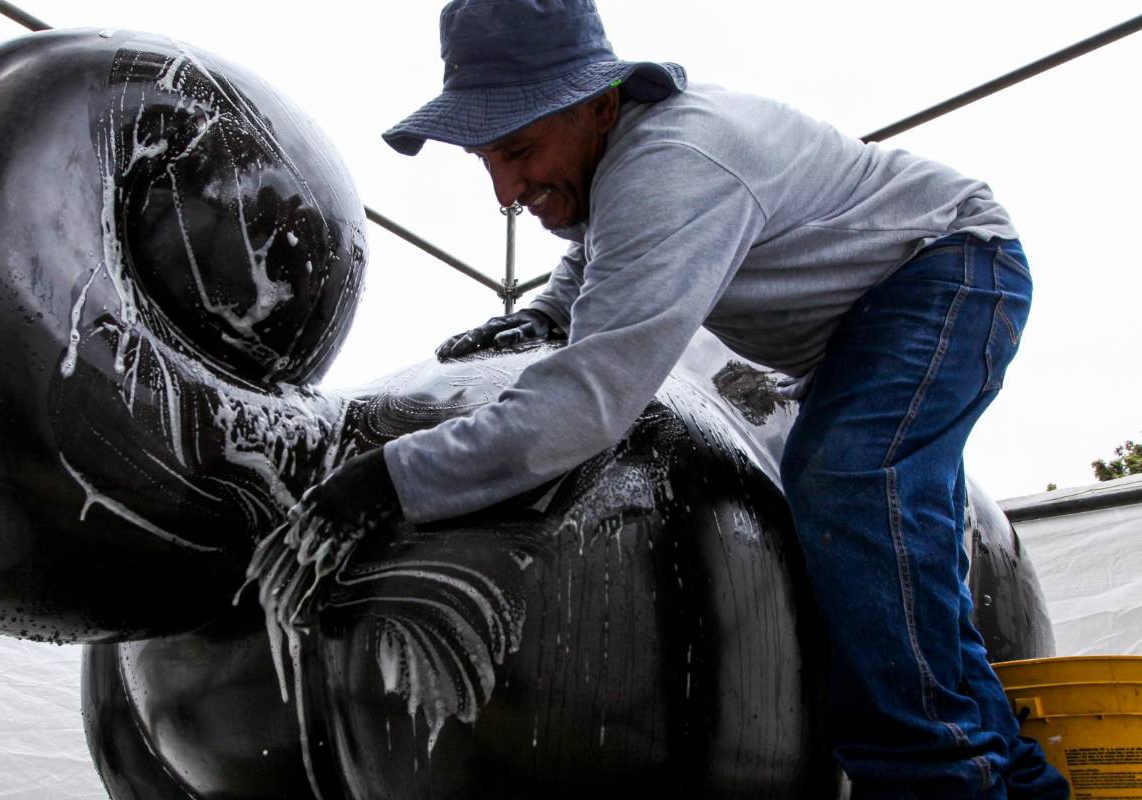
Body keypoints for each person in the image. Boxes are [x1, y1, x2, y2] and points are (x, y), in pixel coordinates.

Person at [291, 1, 1071, 797]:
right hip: (882, 311)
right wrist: (546, 312)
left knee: (848, 483)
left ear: (600, 102)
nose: (507, 188)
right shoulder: (623, 162)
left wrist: (387, 480)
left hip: (948, 268)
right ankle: (1012, 780)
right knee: (907, 563)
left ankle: (936, 782)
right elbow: (604, 246)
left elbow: (589, 405)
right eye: (485, 157)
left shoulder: (673, 164)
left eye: (518, 149)